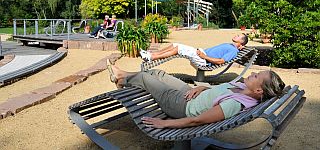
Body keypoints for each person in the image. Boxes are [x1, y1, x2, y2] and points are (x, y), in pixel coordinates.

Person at [106, 60, 286, 129]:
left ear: (259, 91)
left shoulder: (234, 104)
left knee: (146, 76)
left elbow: (197, 120)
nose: (252, 73)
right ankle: (121, 76)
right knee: (158, 73)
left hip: (181, 106)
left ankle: (121, 79)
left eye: (256, 76)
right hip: (190, 93)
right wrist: (202, 88)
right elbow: (216, 92)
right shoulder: (240, 86)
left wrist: (166, 123)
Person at [140, 34, 249, 66]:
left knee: (178, 48)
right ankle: (151, 54)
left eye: (238, 36)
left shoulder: (233, 51)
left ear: (241, 42)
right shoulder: (230, 45)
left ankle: (151, 58)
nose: (236, 35)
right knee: (174, 44)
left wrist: (203, 56)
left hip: (204, 60)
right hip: (202, 53)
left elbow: (221, 61)